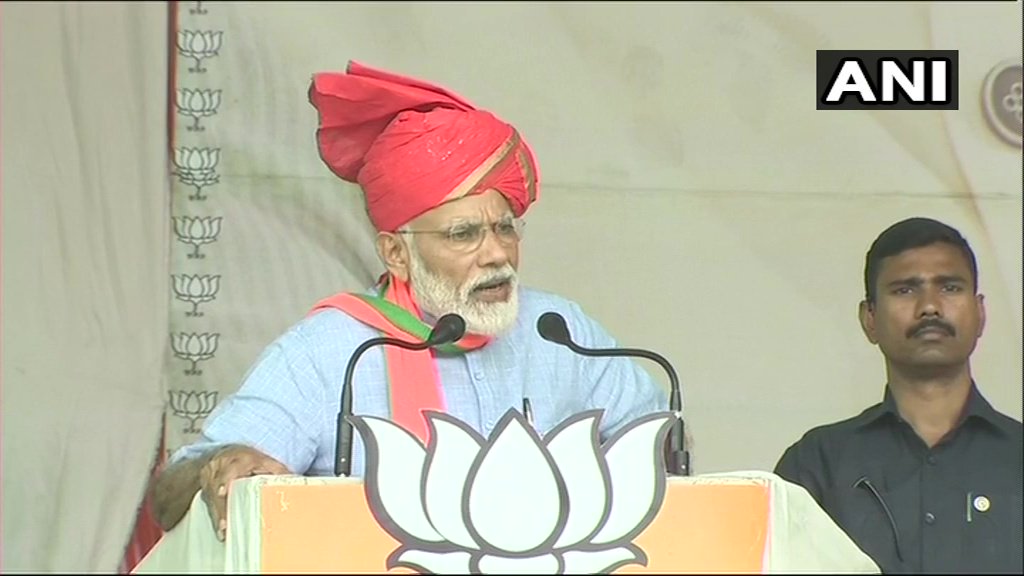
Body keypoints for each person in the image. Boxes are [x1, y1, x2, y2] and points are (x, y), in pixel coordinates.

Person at [150, 61, 670, 540]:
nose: (496, 255)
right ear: (397, 253)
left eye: (505, 228)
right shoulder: (332, 351)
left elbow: (660, 453)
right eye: (463, 235)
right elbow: (170, 497)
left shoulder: (557, 331)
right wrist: (220, 466)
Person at [774, 217, 1023, 574]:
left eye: (950, 288)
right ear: (869, 319)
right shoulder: (817, 464)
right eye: (905, 290)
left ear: (980, 313)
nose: (930, 307)